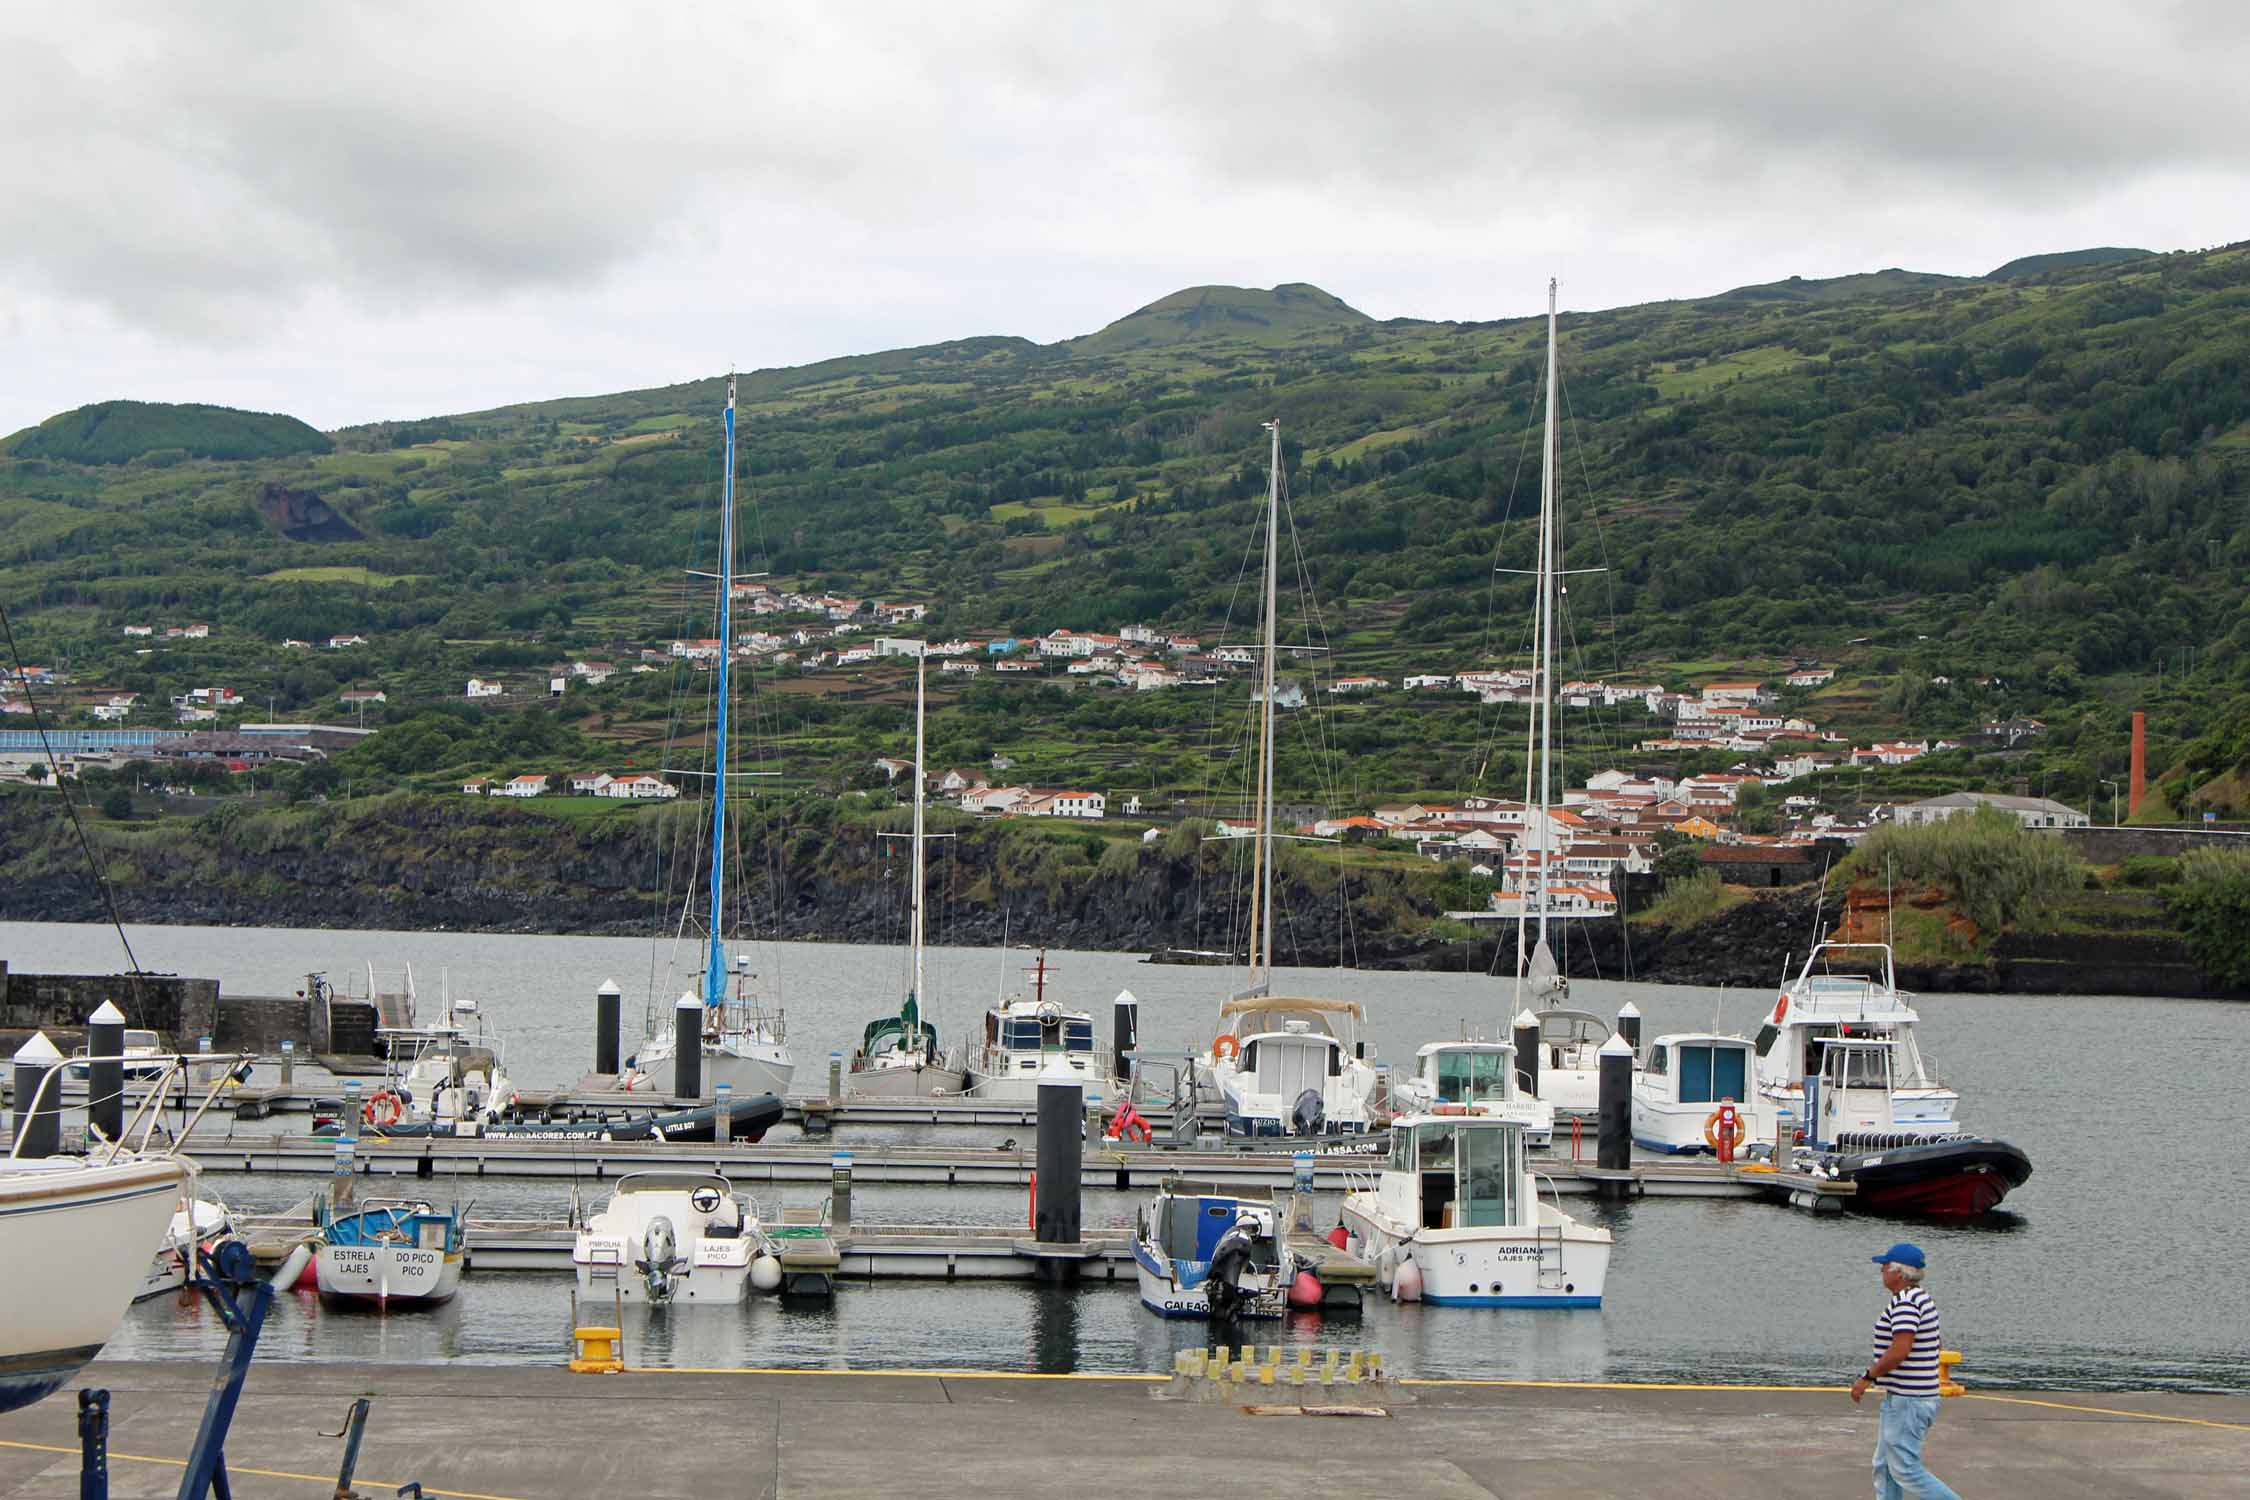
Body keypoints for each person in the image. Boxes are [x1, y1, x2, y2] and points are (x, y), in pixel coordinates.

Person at [1850, 1242, 1961, 1500]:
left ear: (1899, 1273)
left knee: (1905, 1470)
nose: (1881, 1271)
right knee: (1886, 1466)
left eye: (1885, 1267)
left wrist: (1868, 1377)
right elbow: (1934, 1341)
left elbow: (1900, 1349)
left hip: (1908, 1400)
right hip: (1911, 1397)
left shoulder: (1906, 1303)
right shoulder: (1921, 1298)